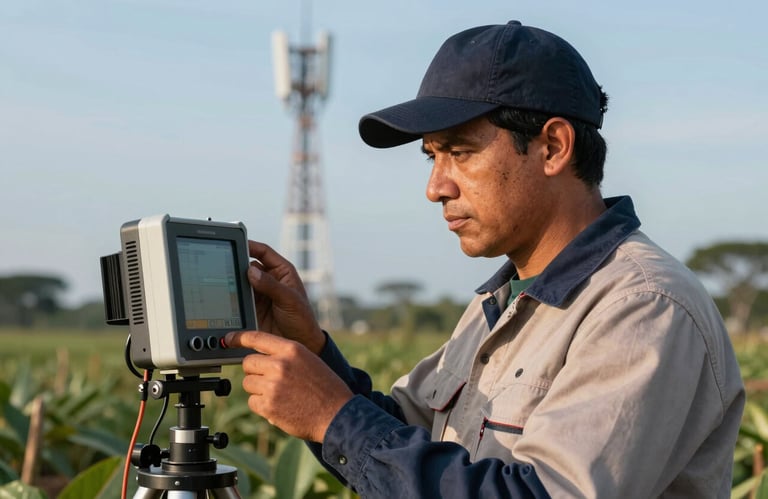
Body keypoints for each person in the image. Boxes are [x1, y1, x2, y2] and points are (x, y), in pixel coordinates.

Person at [226, 20, 745, 497]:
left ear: (553, 147)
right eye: (432, 156)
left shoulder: (643, 307)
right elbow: (413, 439)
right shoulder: (501, 302)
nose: (435, 187)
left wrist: (334, 416)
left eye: (461, 152)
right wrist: (312, 351)